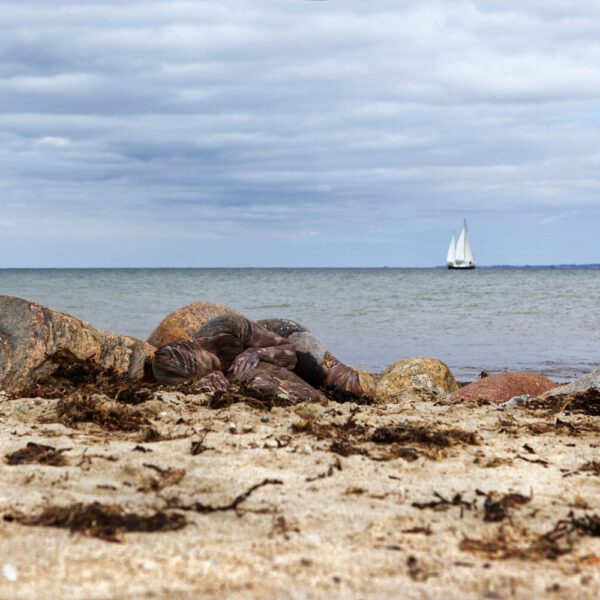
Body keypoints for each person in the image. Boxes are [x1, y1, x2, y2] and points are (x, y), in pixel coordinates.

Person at [152, 314, 375, 397]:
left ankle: (370, 376)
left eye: (210, 363)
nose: (214, 368)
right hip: (268, 356)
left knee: (348, 385)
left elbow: (290, 353)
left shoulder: (228, 327)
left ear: (195, 347)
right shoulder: (184, 372)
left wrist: (256, 352)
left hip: (283, 338)